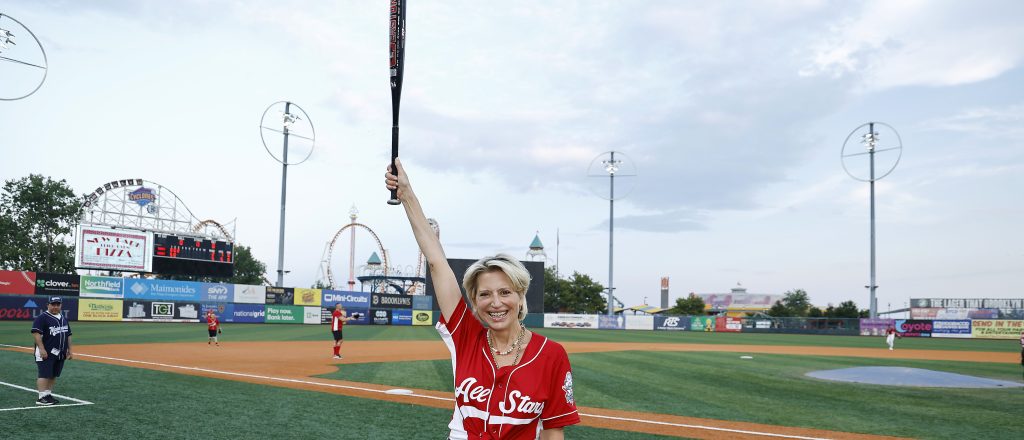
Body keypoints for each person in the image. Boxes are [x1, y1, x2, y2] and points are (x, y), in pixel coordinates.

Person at [386, 158, 580, 439]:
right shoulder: (465, 337)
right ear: (474, 302)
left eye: (505, 292)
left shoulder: (551, 355)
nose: (496, 303)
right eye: (485, 294)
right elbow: (437, 263)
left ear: (520, 296)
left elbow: (553, 431)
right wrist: (406, 194)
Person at [31, 296, 72, 406]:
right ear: (48, 305)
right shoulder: (42, 318)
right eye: (53, 304)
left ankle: (47, 394)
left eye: (57, 304)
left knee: (53, 374)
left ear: (61, 305)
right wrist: (42, 349)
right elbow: (36, 334)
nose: (55, 306)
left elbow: (68, 335)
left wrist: (69, 350)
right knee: (44, 374)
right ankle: (41, 397)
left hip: (60, 353)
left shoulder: (63, 318)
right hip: (46, 352)